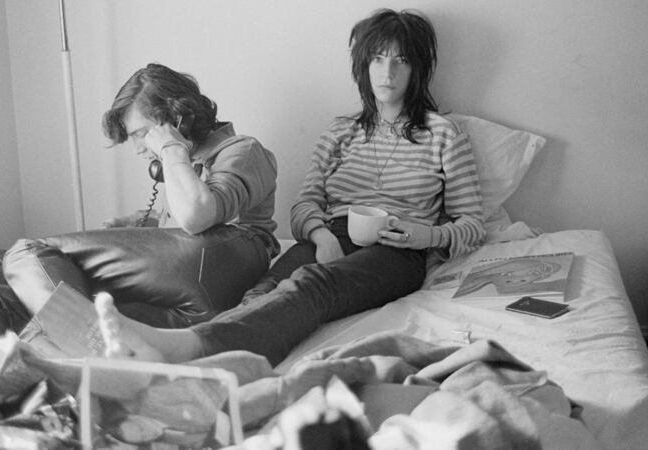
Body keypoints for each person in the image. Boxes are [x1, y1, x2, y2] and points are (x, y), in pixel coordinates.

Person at [93, 9, 486, 367]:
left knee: (311, 285)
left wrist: (426, 235)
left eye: (402, 60)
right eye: (378, 58)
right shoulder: (340, 132)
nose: (388, 72)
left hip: (399, 250)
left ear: (419, 68)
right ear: (363, 65)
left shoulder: (443, 134)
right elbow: (304, 204)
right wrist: (319, 235)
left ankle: (191, 348)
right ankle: (217, 361)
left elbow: (472, 224)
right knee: (260, 291)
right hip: (331, 234)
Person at [2, 63, 280, 328]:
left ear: (179, 120)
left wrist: (171, 148)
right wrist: (137, 224)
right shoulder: (181, 166)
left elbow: (197, 217)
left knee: (28, 254)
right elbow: (178, 220)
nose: (137, 148)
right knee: (0, 301)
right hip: (192, 303)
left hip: (227, 264)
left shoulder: (243, 151)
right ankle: (84, 341)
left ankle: (78, 334)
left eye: (142, 133)